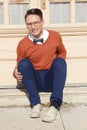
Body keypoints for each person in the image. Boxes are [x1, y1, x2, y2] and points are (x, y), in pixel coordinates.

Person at [13, 8, 67, 123]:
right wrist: (15, 73)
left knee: (60, 62)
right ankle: (35, 104)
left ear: (42, 22)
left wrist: (59, 69)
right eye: (29, 24)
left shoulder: (55, 36)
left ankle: (54, 106)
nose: (33, 27)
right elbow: (19, 65)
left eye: (36, 23)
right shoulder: (22, 44)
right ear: (26, 26)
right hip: (35, 82)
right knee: (23, 63)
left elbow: (62, 52)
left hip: (50, 79)